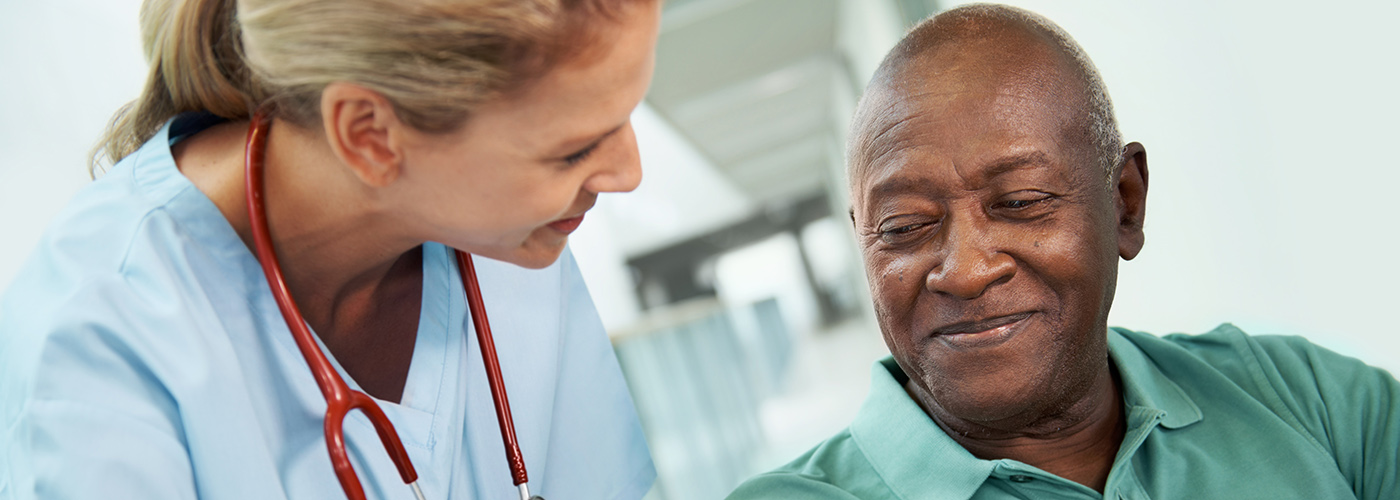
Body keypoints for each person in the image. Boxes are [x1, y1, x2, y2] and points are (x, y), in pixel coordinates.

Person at [729, 4, 1399, 499]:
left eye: (1020, 203)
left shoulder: (1304, 399)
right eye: (904, 226)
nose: (964, 270)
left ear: (1125, 203)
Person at [0, 0, 660, 498]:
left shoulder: (514, 240)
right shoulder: (98, 343)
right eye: (574, 148)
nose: (627, 172)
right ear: (370, 135)